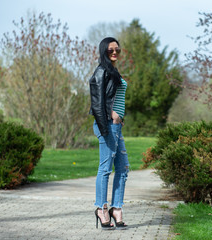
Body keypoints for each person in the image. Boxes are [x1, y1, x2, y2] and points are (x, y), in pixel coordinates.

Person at [89, 37, 129, 229]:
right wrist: (109, 121)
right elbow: (96, 104)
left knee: (123, 168)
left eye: (117, 50)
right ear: (103, 50)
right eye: (110, 50)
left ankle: (116, 208)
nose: (114, 52)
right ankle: (101, 208)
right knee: (105, 168)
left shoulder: (113, 71)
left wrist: (118, 119)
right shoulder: (101, 71)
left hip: (116, 126)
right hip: (107, 125)